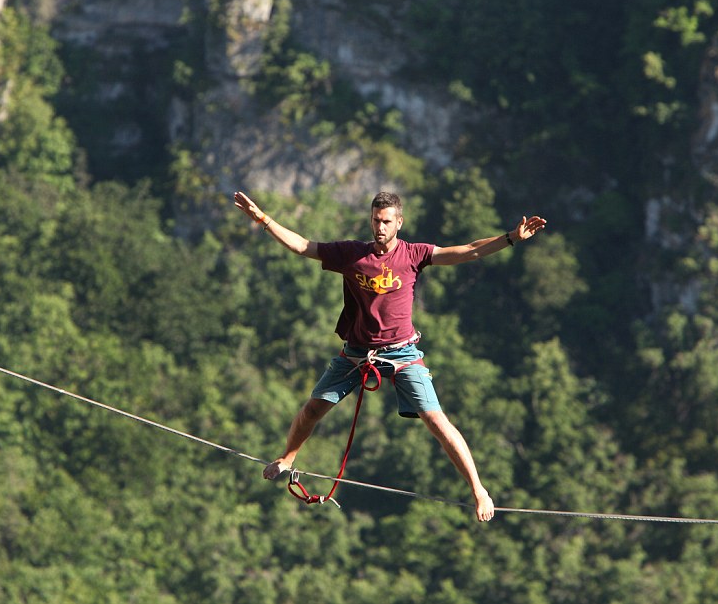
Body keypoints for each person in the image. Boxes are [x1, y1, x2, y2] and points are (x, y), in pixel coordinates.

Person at [233, 190, 546, 522]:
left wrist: (511, 238)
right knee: (312, 409)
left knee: (438, 423)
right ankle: (287, 458)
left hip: (402, 353)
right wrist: (264, 220)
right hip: (356, 353)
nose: (379, 228)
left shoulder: (413, 254)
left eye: (386, 222)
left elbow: (467, 251)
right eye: (375, 221)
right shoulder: (351, 254)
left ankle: (479, 490)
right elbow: (302, 245)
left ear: (399, 222)